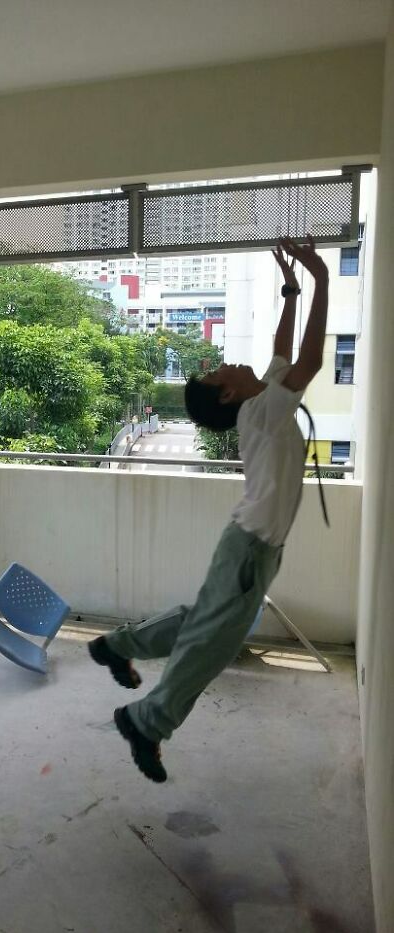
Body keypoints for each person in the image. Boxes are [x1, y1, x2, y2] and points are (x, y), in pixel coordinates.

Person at [89, 236, 329, 782]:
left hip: (249, 546)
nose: (227, 363)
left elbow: (285, 352)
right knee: (212, 642)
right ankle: (147, 720)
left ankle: (116, 646)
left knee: (202, 624)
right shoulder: (265, 409)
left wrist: (291, 291)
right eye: (220, 373)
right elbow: (311, 359)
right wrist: (323, 279)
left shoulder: (263, 398)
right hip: (251, 548)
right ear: (228, 397)